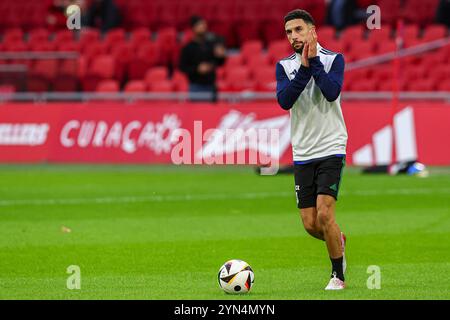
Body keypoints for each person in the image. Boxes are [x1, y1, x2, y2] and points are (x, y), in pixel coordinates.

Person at [275, 9, 348, 290]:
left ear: (312, 30)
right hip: (303, 151)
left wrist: (314, 62)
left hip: (331, 145)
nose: (293, 36)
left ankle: (337, 275)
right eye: (289, 32)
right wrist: (304, 68)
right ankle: (338, 243)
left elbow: (331, 92)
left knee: (325, 214)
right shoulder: (284, 66)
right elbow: (285, 100)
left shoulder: (334, 60)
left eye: (298, 30)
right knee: (310, 224)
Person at [179, 16, 226, 102]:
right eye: (200, 25)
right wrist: (197, 69)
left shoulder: (211, 45)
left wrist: (221, 56)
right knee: (197, 113)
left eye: (204, 25)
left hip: (211, 85)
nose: (203, 28)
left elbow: (220, 63)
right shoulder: (188, 48)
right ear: (194, 28)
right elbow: (183, 67)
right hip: (196, 86)